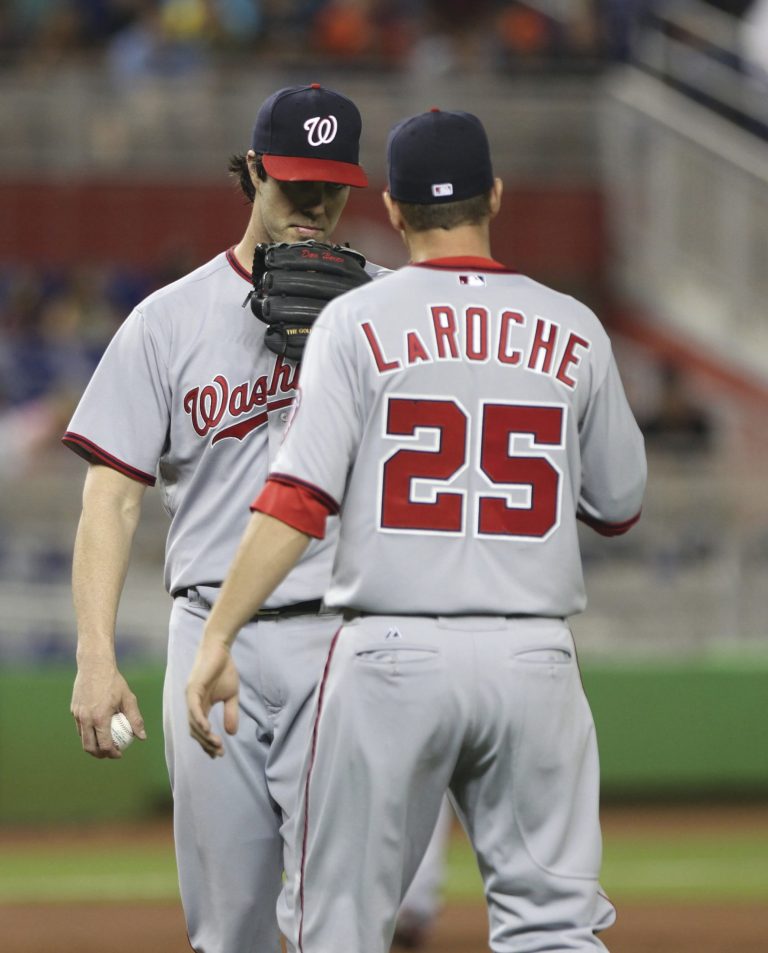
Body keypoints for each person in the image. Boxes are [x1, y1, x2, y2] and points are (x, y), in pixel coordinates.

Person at [185, 107, 648, 952]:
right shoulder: (576, 328)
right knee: (553, 927)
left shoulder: (357, 320)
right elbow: (620, 505)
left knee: (342, 930)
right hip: (533, 657)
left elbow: (296, 499)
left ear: (392, 209)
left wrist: (219, 631)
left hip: (390, 655)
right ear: (496, 196)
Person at [63, 82, 441, 953]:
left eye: (330, 186)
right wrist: (95, 653)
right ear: (252, 171)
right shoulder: (168, 321)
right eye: (293, 183)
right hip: (207, 639)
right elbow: (111, 495)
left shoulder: (396, 315)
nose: (312, 204)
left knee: (341, 927)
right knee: (226, 929)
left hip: (346, 643)